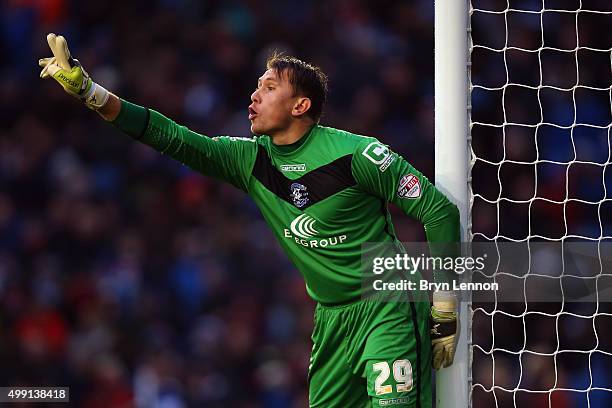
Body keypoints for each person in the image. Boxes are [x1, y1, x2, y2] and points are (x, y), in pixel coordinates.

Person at [39, 33, 460, 408]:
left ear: (301, 105)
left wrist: (444, 304)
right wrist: (91, 93)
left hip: (387, 304)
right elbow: (169, 136)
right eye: (257, 86)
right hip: (332, 320)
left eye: (269, 87)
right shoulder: (248, 159)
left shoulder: (358, 155)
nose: (254, 96)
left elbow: (438, 210)